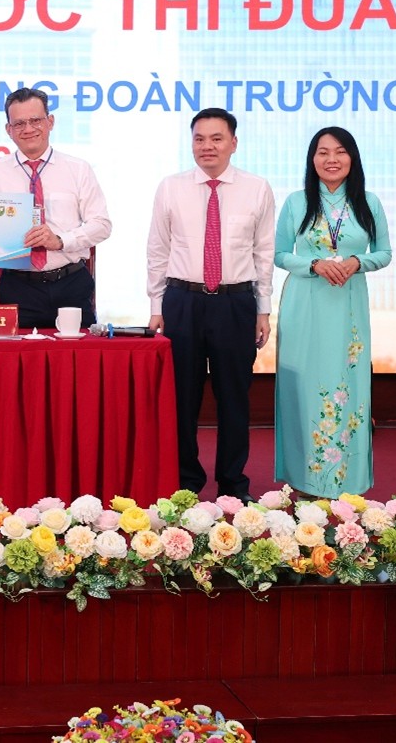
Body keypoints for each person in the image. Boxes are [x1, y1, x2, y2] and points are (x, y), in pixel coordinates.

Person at [146, 107, 275, 502]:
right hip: (182, 301)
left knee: (234, 398)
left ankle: (233, 484)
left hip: (235, 303)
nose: (207, 146)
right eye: (199, 139)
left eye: (216, 138)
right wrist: (156, 306)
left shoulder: (257, 188)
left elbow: (263, 252)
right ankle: (186, 481)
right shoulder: (171, 187)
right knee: (182, 398)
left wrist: (263, 309)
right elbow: (157, 249)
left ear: (233, 143)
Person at [273, 126, 391, 497]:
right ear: (312, 160)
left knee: (347, 386)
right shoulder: (297, 202)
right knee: (303, 388)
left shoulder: (368, 202)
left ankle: (347, 482)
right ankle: (303, 480)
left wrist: (357, 261)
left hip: (347, 307)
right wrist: (313, 264)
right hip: (304, 304)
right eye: (322, 152)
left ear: (352, 158)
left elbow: (384, 253)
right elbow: (280, 254)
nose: (331, 159)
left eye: (340, 151)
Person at [0, 87, 111, 328]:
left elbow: (101, 225)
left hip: (70, 283)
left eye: (35, 120)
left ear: (50, 122)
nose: (28, 129)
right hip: (18, 287)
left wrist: (60, 240)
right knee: (18, 351)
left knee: (76, 350)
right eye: (19, 123)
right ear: (8, 130)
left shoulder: (78, 169)